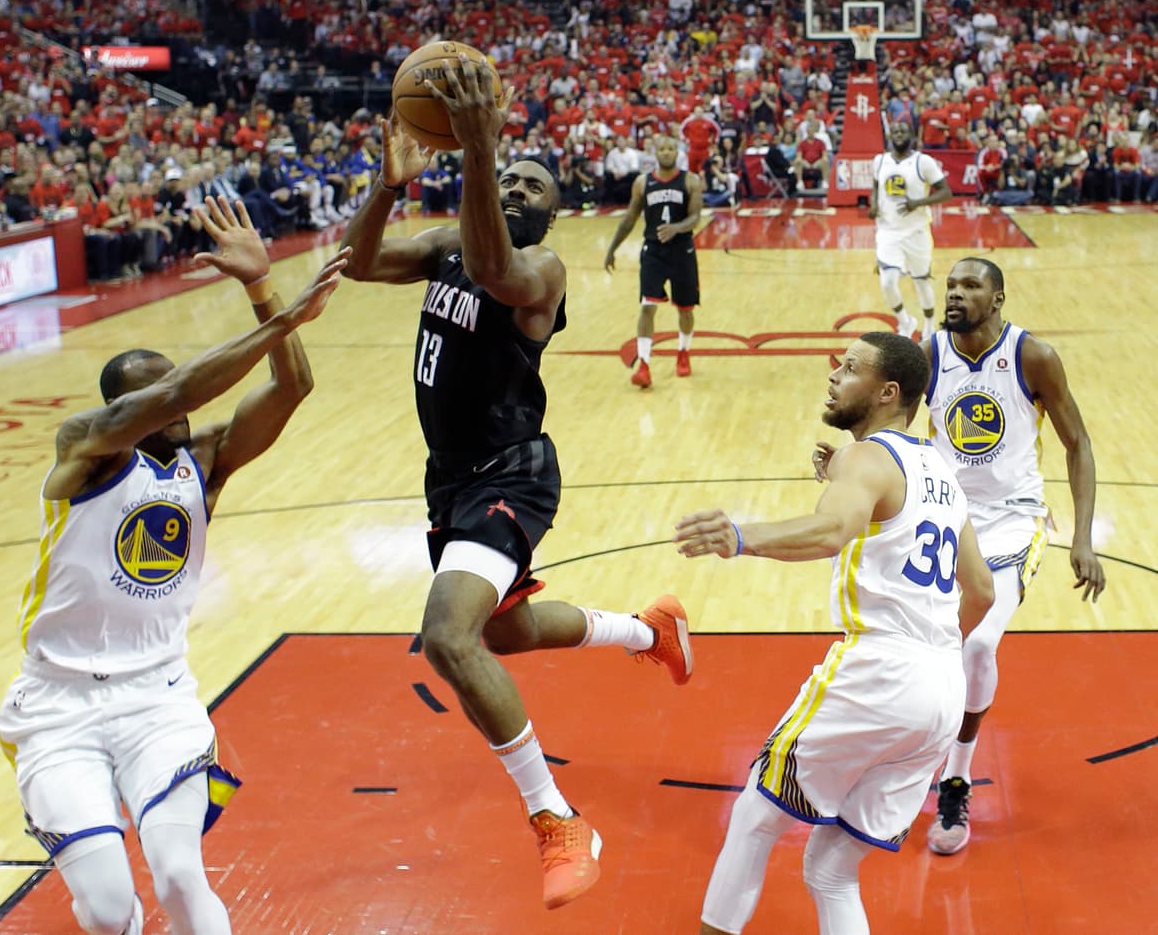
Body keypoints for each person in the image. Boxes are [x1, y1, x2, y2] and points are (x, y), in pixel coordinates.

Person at [338, 59, 693, 911]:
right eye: (510, 175)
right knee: (506, 633)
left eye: (533, 182)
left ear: (554, 209)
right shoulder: (443, 244)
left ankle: (558, 819)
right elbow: (357, 263)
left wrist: (479, 146)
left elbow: (497, 271)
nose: (518, 186)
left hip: (513, 472)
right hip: (449, 479)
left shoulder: (540, 270)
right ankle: (648, 631)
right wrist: (388, 191)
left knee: (448, 636)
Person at [0, 197, 351, 935]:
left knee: (181, 874)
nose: (175, 408)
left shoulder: (207, 462)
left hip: (159, 697)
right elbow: (179, 389)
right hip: (57, 709)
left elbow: (293, 389)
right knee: (104, 908)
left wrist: (264, 288)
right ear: (119, 413)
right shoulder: (81, 453)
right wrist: (279, 322)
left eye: (173, 395)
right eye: (152, 395)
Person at [677, 331, 995, 935]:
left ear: (887, 392)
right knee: (831, 870)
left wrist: (740, 536)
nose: (833, 375)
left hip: (878, 673)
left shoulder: (866, 459)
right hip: (941, 690)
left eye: (849, 368)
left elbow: (831, 531)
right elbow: (980, 590)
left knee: (754, 819)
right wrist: (931, 646)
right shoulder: (939, 470)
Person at [917, 257, 1105, 854]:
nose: (955, 294)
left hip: (1014, 523)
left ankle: (956, 778)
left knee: (975, 643)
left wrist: (1081, 538)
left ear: (998, 299)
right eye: (951, 285)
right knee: (923, 642)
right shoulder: (930, 353)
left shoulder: (1033, 356)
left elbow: (1078, 443)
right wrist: (849, 459)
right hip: (945, 518)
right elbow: (893, 425)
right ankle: (906, 751)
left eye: (970, 286)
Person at [604, 134, 705, 388]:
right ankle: (644, 365)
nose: (667, 153)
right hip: (653, 252)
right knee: (647, 306)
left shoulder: (690, 180)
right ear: (655, 153)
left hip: (682, 251)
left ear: (677, 152)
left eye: (672, 148)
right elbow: (629, 218)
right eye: (663, 149)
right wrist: (612, 248)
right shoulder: (642, 183)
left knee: (686, 309)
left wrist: (677, 228)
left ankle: (683, 352)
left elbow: (695, 218)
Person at [870, 121, 953, 340]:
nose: (898, 134)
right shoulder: (879, 161)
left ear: (912, 136)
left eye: (903, 131)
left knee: (921, 281)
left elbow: (946, 192)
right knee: (887, 282)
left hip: (917, 232)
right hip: (888, 231)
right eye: (895, 131)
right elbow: (876, 186)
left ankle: (928, 324)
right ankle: (905, 321)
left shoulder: (923, 162)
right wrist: (873, 204)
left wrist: (918, 203)